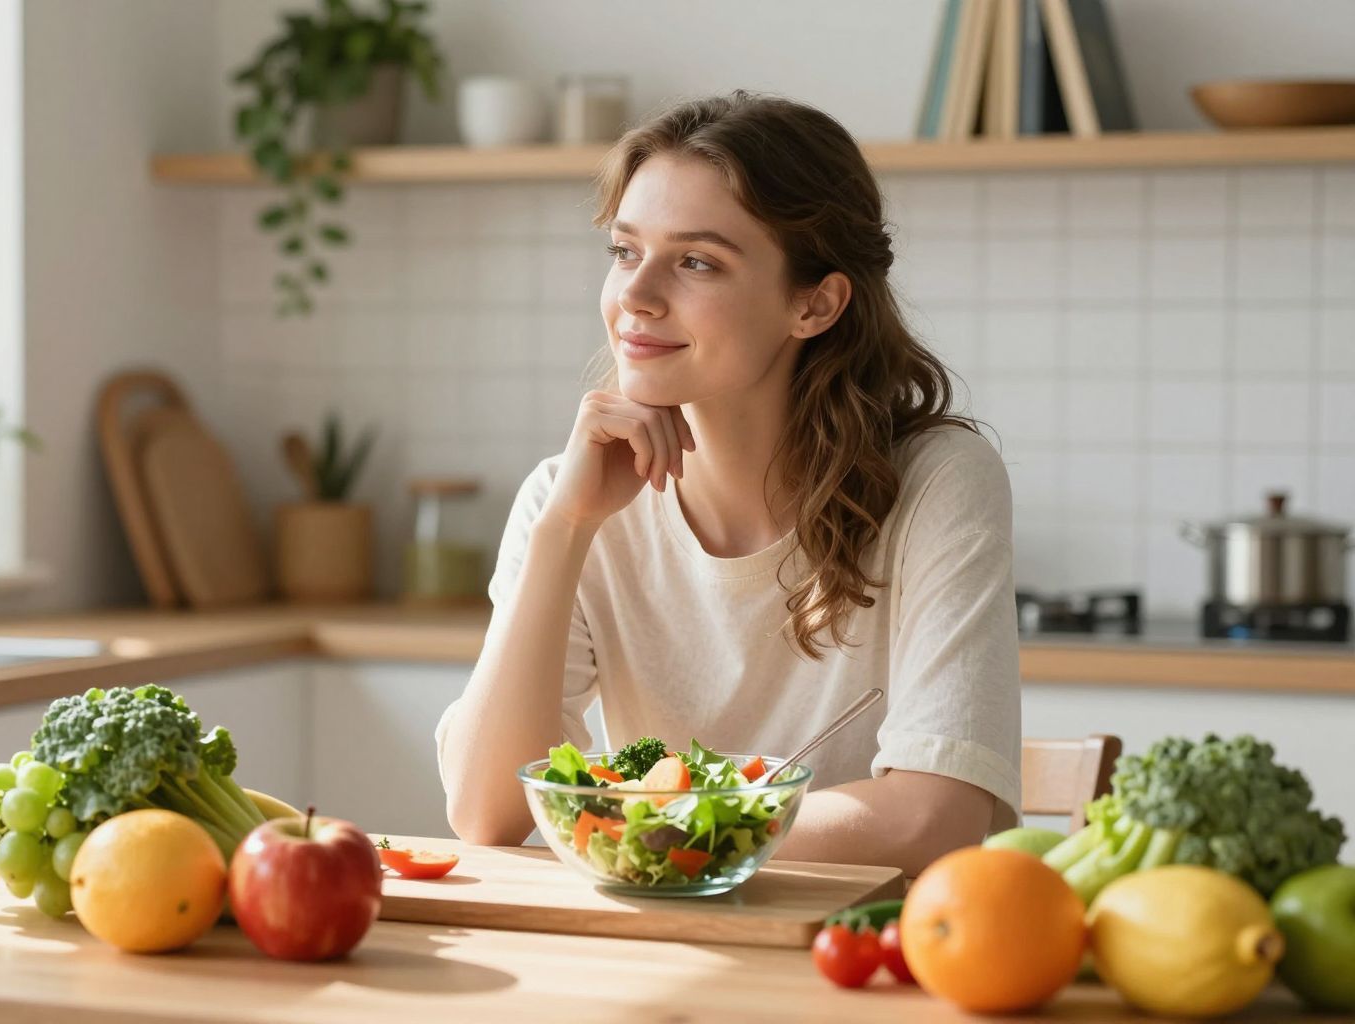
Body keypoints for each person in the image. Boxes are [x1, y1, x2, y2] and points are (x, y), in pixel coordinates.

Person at [434, 90, 1019, 876]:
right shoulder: (567, 496)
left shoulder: (938, 482)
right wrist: (565, 529)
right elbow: (484, 811)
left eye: (696, 262)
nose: (635, 297)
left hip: (853, 964)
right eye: (623, 251)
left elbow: (931, 823)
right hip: (655, 960)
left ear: (815, 302)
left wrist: (642, 832)